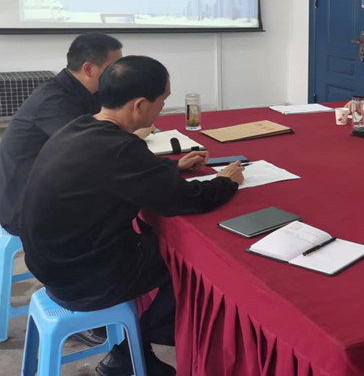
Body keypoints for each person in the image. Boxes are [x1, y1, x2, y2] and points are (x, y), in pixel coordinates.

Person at [20, 56, 245, 376]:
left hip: (50, 263)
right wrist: (226, 182)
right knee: (191, 261)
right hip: (82, 279)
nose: (163, 108)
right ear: (140, 105)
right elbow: (183, 200)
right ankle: (131, 350)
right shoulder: (119, 147)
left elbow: (125, 174)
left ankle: (133, 347)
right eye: (163, 101)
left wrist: (171, 167)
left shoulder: (80, 127)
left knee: (156, 241)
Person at [0, 33, 127, 237]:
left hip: (55, 189)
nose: (119, 75)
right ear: (88, 69)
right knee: (123, 209)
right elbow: (94, 151)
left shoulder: (86, 91)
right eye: (113, 69)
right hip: (26, 208)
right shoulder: (54, 101)